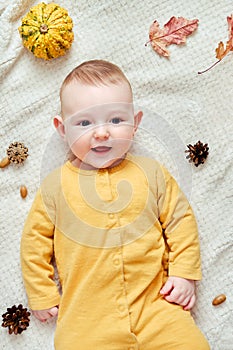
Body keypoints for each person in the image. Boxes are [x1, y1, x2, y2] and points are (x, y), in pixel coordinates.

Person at [20, 59, 210, 350]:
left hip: (156, 307)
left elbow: (180, 220)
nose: (101, 133)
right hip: (85, 320)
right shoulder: (55, 187)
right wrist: (41, 292)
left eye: (116, 120)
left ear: (135, 123)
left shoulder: (152, 173)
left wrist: (184, 272)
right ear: (62, 129)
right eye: (84, 123)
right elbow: (34, 243)